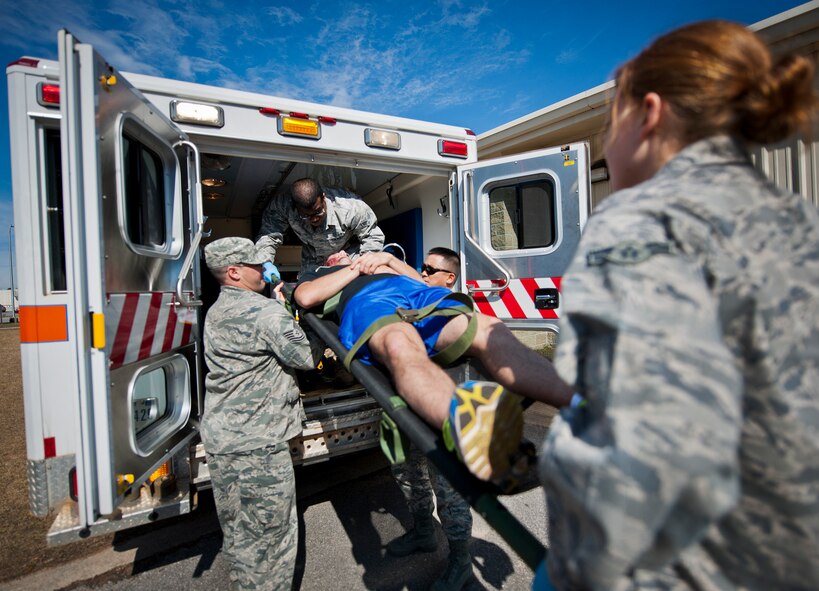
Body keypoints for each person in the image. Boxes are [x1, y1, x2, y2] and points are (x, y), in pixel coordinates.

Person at [535, 20, 819, 590]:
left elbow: (631, 459)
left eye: (608, 121)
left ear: (650, 113)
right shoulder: (799, 219)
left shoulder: (641, 218)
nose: (605, 143)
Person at [292, 249, 574, 488]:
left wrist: (387, 259)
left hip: (416, 294)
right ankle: (486, 444)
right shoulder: (320, 273)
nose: (342, 252)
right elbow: (305, 298)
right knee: (400, 344)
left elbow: (424, 284)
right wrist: (353, 267)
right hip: (370, 301)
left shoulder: (380, 263)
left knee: (488, 328)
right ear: (327, 263)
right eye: (336, 254)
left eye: (347, 251)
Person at [201, 237, 323, 590]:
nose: (264, 270)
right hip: (259, 443)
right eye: (256, 265)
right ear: (234, 271)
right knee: (272, 539)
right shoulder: (265, 312)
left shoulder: (216, 311)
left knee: (241, 535)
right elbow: (305, 357)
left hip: (224, 439)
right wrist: (296, 314)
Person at [386, 247, 475, 591]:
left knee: (450, 490)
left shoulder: (455, 305)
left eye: (428, 269)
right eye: (420, 268)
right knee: (408, 474)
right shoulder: (420, 300)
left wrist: (393, 263)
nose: (421, 274)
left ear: (449, 277)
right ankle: (424, 531)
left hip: (444, 415)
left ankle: (460, 560)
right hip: (409, 410)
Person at [255, 177, 385, 278]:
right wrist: (265, 262)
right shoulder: (283, 206)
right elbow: (269, 234)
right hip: (312, 260)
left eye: (318, 212)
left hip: (347, 256)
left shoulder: (351, 207)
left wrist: (362, 267)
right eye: (306, 216)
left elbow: (372, 237)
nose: (315, 219)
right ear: (295, 207)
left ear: (323, 197)